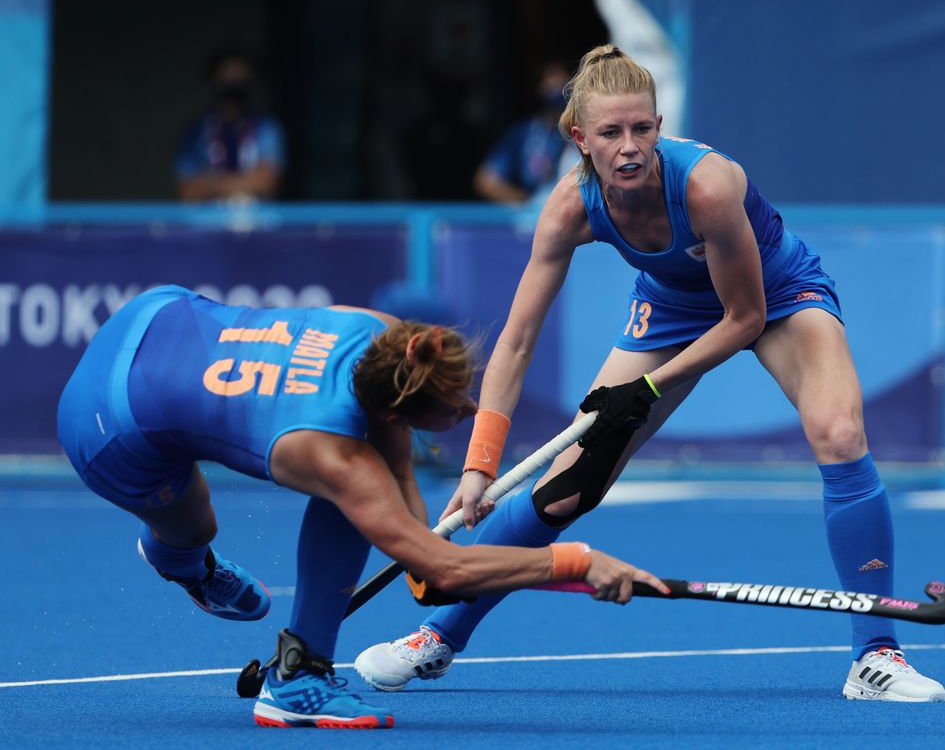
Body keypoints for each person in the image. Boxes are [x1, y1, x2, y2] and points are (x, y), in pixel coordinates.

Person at [354, 45, 945, 703]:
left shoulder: (708, 186)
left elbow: (744, 318)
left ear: (660, 126)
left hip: (777, 295)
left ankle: (876, 655)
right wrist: (478, 468)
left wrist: (648, 389)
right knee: (565, 490)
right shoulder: (569, 207)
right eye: (611, 133)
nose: (630, 146)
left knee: (838, 434)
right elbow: (517, 341)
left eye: (643, 128)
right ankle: (439, 636)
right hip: (669, 309)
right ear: (580, 138)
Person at [56, 284, 665, 729]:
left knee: (363, 501)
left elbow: (397, 464)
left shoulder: (383, 337)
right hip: (109, 419)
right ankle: (209, 591)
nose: (468, 411)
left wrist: (421, 551)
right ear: (402, 411)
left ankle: (300, 667)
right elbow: (450, 569)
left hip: (159, 314)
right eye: (452, 410)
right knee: (193, 525)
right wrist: (578, 563)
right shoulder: (328, 451)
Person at [173, 50, 285, 203]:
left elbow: (265, 183)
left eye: (240, 82)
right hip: (206, 221)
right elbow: (187, 190)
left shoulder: (266, 127)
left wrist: (209, 182)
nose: (232, 90)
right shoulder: (196, 130)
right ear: (212, 83)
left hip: (255, 220)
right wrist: (244, 182)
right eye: (226, 82)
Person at [472, 61, 571, 204]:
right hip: (536, 216)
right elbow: (485, 180)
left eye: (561, 81)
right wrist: (528, 203)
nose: (554, 86)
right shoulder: (525, 133)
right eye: (549, 80)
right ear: (539, 87)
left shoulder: (583, 131)